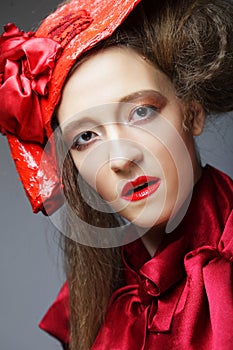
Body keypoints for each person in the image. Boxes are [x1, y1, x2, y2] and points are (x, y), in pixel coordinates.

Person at [0, 0, 233, 349]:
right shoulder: (96, 298)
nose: (121, 158)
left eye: (141, 112)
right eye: (86, 137)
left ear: (193, 111)